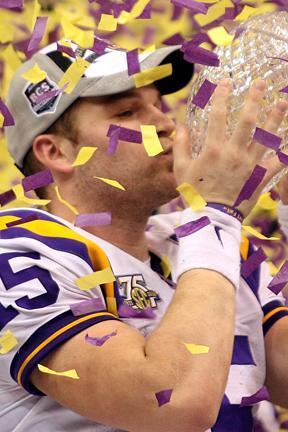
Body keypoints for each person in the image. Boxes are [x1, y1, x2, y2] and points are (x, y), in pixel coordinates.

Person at [1, 39, 288, 432]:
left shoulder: (204, 241)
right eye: (128, 111)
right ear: (57, 153)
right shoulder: (21, 256)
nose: (167, 124)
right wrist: (216, 214)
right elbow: (171, 402)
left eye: (158, 106)